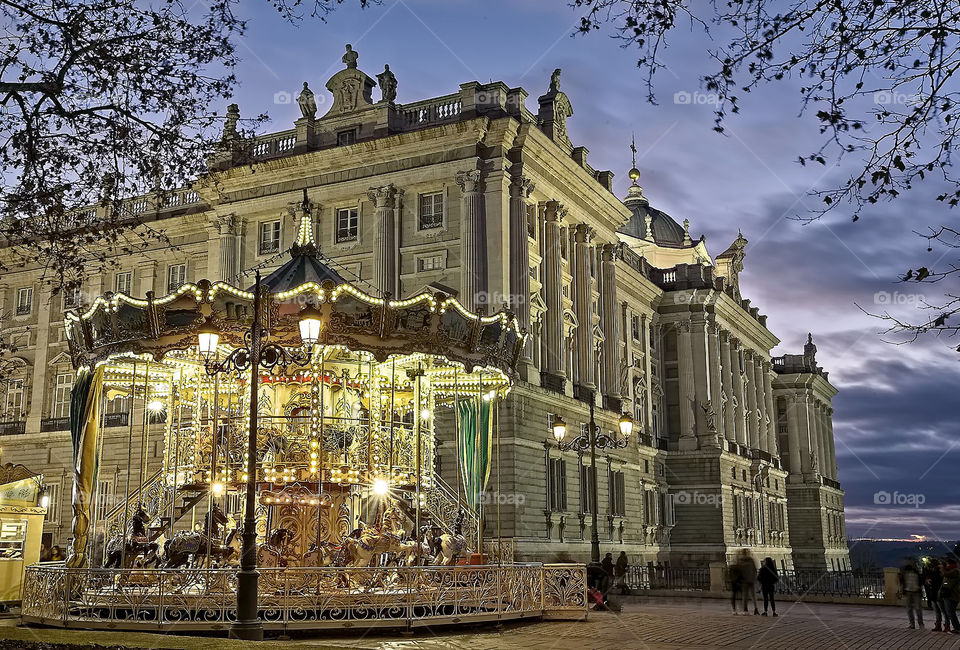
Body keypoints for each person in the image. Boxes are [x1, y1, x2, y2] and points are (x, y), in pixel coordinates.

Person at [899, 558, 924, 629]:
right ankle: (912, 624)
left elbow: (921, 581)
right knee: (909, 609)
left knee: (918, 608)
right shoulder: (904, 572)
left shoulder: (917, 572)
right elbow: (901, 581)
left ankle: (920, 624)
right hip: (908, 591)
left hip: (916, 592)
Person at [923, 558, 944, 631]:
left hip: (939, 595)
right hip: (933, 595)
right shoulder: (930, 573)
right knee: (937, 612)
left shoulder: (940, 573)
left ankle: (946, 626)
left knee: (943, 612)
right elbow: (927, 581)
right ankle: (938, 626)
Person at [941, 555, 960, 634]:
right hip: (948, 595)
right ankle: (957, 627)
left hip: (952, 595)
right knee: (950, 612)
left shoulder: (955, 571)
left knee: (951, 613)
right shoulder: (950, 571)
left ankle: (957, 628)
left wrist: (942, 567)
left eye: (947, 564)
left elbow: (945, 574)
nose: (946, 565)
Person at [738, 549, 760, 615]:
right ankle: (756, 609)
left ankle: (745, 609)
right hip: (751, 580)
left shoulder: (741, 561)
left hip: (744, 581)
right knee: (753, 596)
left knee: (745, 595)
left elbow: (739, 572)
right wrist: (754, 578)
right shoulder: (751, 560)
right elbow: (755, 570)